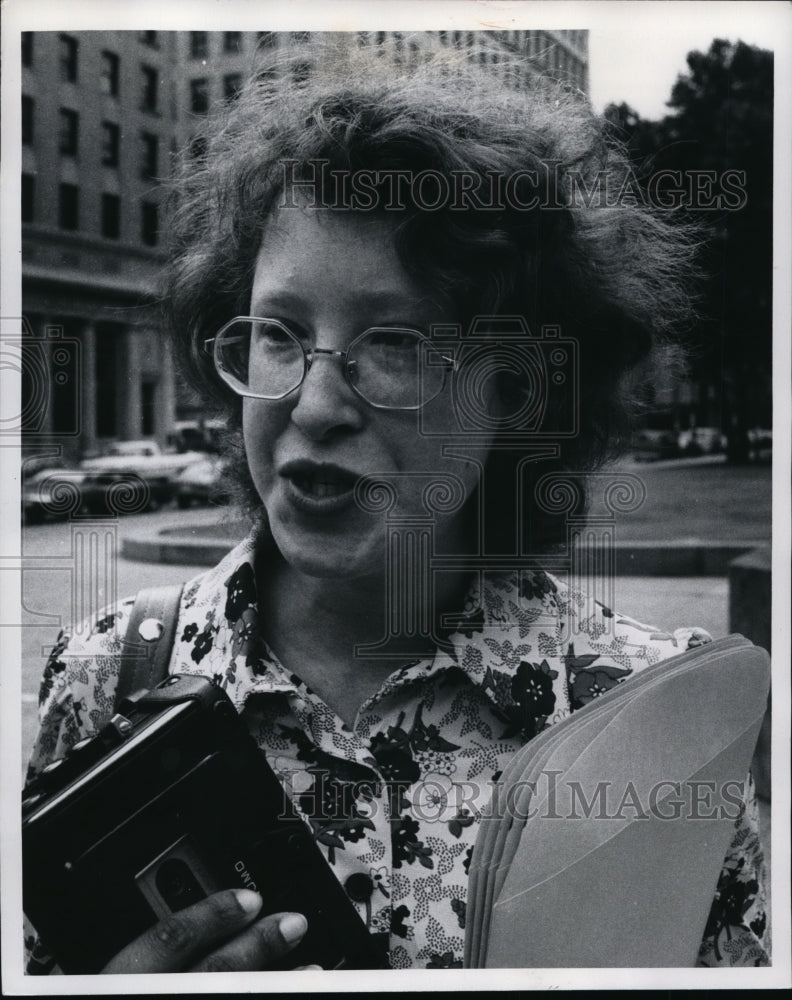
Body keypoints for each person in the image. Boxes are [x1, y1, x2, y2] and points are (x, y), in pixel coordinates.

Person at [24, 36, 768, 972]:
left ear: (516, 392)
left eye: (396, 342)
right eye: (278, 334)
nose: (316, 403)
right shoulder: (104, 679)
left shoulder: (659, 722)